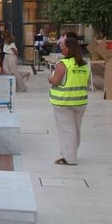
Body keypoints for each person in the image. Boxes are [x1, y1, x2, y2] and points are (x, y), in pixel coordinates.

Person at [48, 37, 90, 165]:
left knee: (66, 130)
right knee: (76, 129)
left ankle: (70, 158)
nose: (61, 48)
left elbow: (55, 81)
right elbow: (86, 82)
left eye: (63, 46)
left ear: (69, 48)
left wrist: (50, 78)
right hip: (80, 102)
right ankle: (72, 152)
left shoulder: (63, 64)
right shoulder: (84, 64)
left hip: (63, 101)